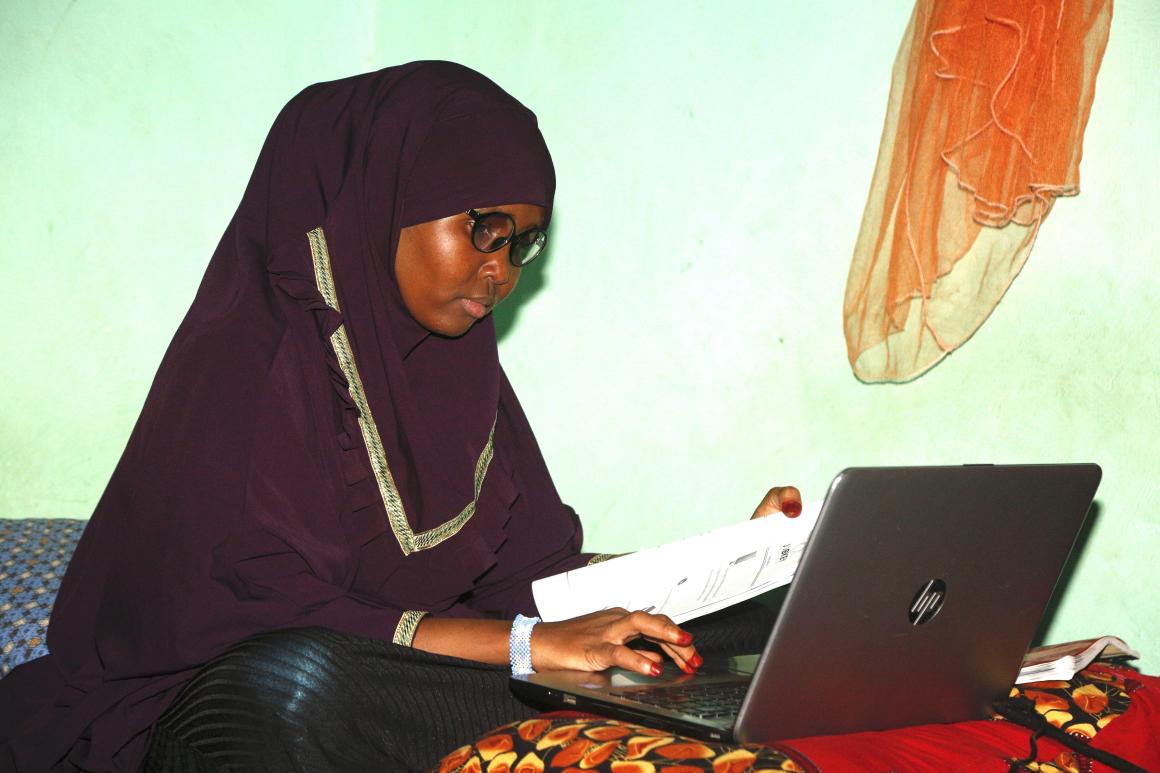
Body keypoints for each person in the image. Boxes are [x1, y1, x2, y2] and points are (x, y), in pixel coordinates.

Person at [0, 62, 800, 772]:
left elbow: (537, 587)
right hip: (215, 710)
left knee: (752, 631)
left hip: (393, 687)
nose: (500, 271)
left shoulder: (459, 375)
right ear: (381, 203)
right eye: (483, 229)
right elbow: (267, 612)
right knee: (295, 680)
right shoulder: (244, 363)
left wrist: (733, 567)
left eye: (522, 243)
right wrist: (522, 645)